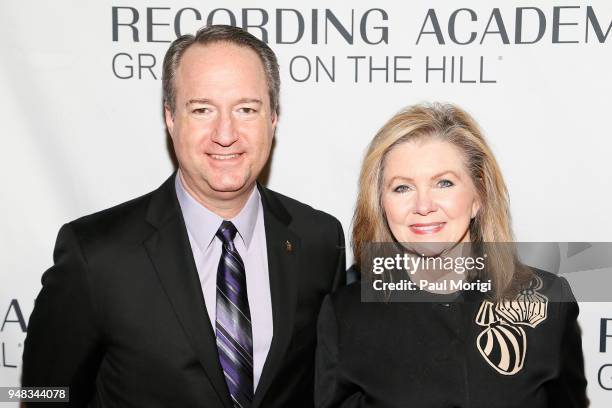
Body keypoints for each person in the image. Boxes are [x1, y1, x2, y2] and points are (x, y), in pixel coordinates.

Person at [22, 25, 346, 407]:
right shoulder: (95, 255)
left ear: (273, 118)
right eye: (202, 110)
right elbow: (40, 395)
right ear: (171, 118)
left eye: (246, 109)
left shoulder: (320, 239)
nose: (225, 133)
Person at [315, 103, 588, 407]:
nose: (423, 205)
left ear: (478, 197)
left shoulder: (549, 301)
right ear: (381, 203)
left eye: (444, 183)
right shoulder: (347, 317)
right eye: (402, 188)